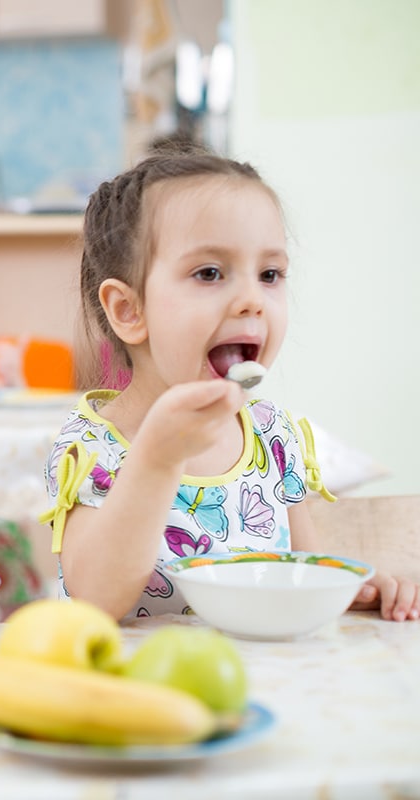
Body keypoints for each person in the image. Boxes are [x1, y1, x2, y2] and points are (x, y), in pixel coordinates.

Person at [39, 149, 419, 622]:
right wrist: (158, 456)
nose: (251, 300)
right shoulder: (93, 448)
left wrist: (351, 588)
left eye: (269, 275)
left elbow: (301, 571)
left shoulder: (271, 435)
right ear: (128, 310)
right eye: (210, 273)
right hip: (128, 685)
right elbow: (95, 601)